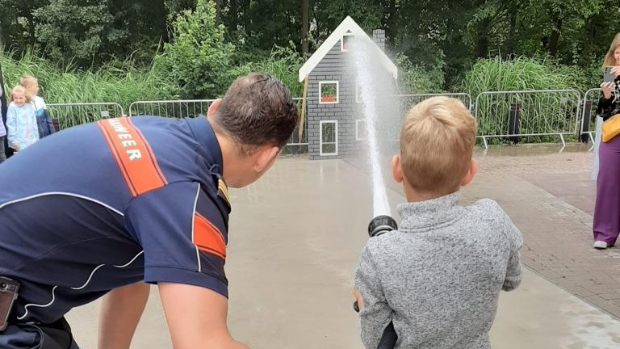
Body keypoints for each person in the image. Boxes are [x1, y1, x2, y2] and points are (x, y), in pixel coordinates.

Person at [0, 72, 299, 349]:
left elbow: (130, 280)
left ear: (214, 108)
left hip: (23, 303)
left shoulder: (154, 132)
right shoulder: (186, 197)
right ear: (266, 157)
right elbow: (200, 342)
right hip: (13, 315)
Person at [353, 97, 522, 349]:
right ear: (469, 172)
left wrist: (366, 304)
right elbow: (512, 279)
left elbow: (374, 340)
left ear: (397, 169)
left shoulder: (379, 255)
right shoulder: (493, 221)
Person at [592, 33, 620, 250]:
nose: (619, 57)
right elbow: (604, 112)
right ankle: (604, 232)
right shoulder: (609, 75)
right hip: (614, 134)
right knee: (608, 181)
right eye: (616, 52)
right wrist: (606, 96)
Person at [6, 85, 38, 152]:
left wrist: (36, 137)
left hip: (32, 139)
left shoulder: (29, 105)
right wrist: (13, 140)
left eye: (21, 98)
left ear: (25, 97)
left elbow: (34, 122)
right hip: (19, 141)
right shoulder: (12, 106)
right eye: (15, 98)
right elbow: (11, 124)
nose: (18, 100)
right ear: (13, 97)